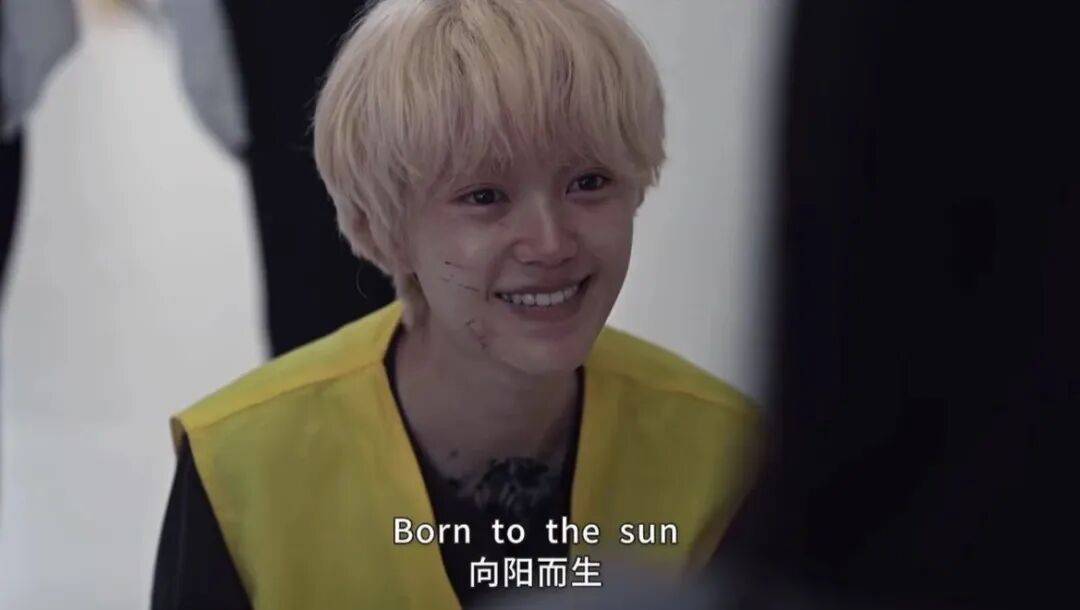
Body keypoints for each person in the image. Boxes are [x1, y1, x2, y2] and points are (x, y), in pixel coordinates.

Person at [151, 0, 761, 608]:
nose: (549, 243)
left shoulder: (724, 455)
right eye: (485, 196)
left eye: (589, 183)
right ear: (381, 229)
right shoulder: (238, 469)